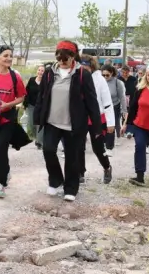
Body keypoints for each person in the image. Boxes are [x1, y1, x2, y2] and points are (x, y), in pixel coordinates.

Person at [33, 41, 102, 201]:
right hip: (52, 121)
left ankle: (71, 187)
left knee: (72, 157)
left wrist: (97, 126)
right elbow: (41, 97)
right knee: (48, 150)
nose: (62, 61)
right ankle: (55, 180)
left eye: (66, 58)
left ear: (73, 57)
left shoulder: (82, 74)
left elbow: (92, 101)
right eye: (59, 58)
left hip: (74, 124)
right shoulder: (50, 73)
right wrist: (37, 117)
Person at [0, 45, 26, 198]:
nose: (9, 58)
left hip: (8, 119)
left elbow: (21, 97)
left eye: (10, 55)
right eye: (5, 55)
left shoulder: (14, 76)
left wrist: (8, 105)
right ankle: (6, 170)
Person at [79, 55, 114, 184]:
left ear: (91, 66)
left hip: (96, 119)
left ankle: (107, 167)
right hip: (81, 117)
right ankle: (80, 172)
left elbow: (108, 103)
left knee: (97, 148)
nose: (84, 69)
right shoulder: (77, 78)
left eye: (86, 67)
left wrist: (111, 123)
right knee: (79, 146)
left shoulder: (100, 80)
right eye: (81, 67)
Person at [101, 64, 126, 157]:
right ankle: (104, 143)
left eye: (107, 75)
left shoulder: (117, 83)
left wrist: (124, 110)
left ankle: (109, 147)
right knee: (102, 126)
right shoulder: (99, 82)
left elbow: (122, 97)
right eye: (103, 75)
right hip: (102, 108)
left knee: (111, 127)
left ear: (112, 73)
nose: (105, 77)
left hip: (114, 107)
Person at [24, 64, 46, 149]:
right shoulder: (32, 80)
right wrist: (25, 104)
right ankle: (36, 137)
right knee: (31, 124)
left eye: (42, 71)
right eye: (39, 70)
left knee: (39, 124)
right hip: (31, 105)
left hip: (41, 107)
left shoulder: (46, 82)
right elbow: (27, 92)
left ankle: (39, 142)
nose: (40, 72)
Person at [120, 65, 138, 138]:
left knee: (131, 113)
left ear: (129, 72)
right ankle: (124, 130)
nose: (124, 74)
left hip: (132, 98)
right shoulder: (119, 79)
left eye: (126, 72)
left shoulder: (133, 79)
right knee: (124, 114)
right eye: (123, 72)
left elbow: (136, 88)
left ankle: (131, 131)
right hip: (123, 98)